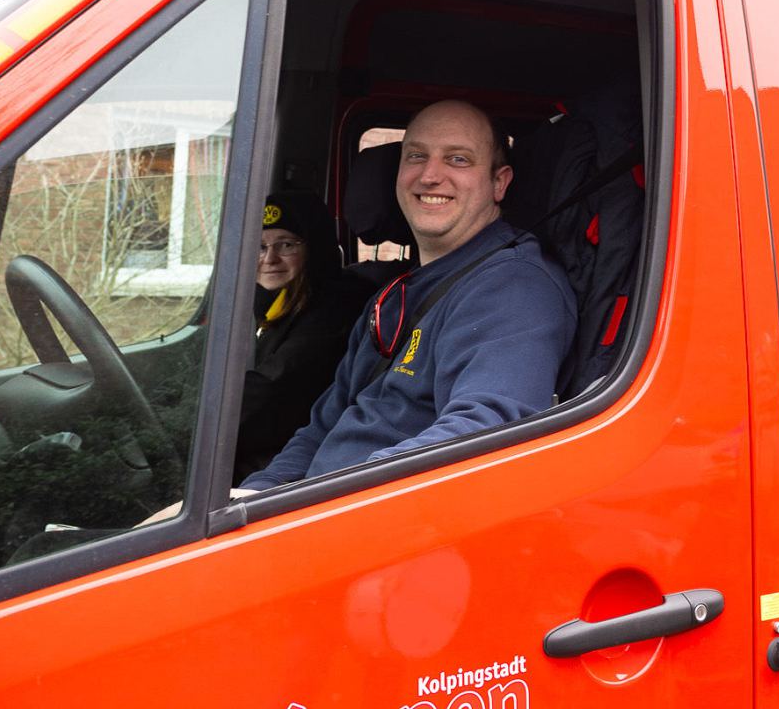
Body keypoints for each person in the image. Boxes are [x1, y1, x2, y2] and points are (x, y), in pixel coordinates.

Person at [238, 100, 576, 490]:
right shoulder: (392, 296)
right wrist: (255, 494)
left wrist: (322, 503)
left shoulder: (515, 288)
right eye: (416, 156)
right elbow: (322, 428)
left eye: (458, 159)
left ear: (499, 182)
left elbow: (482, 436)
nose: (430, 175)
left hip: (379, 510)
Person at [233, 192, 366, 483]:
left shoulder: (336, 308)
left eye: (286, 245)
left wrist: (192, 424)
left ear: (314, 249)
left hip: (295, 463)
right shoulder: (267, 299)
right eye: (260, 246)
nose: (269, 259)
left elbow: (271, 388)